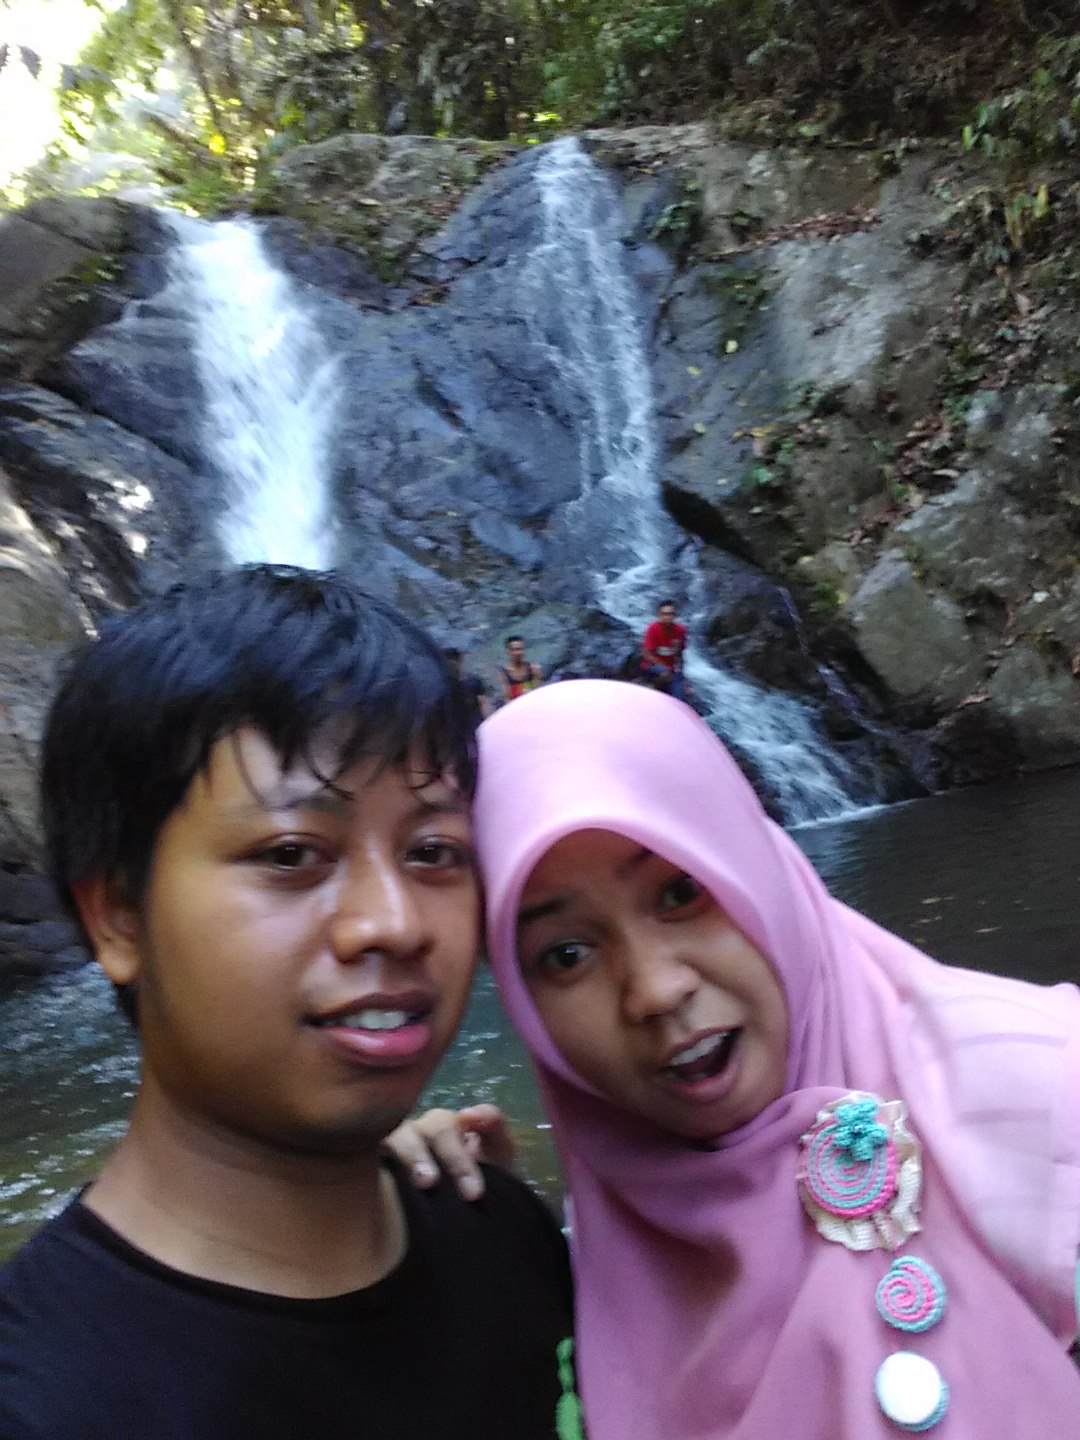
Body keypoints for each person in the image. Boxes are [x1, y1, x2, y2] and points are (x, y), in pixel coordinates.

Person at [406, 679, 1080, 1438]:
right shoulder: (575, 1264)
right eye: (565, 955)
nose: (655, 990)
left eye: (680, 892)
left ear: (753, 864)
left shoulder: (1044, 1091)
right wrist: (415, 1219)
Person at [0, 565, 573, 1440]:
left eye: (432, 851)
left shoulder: (500, 1232)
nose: (394, 923)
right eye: (292, 854)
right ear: (117, 916)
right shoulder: (40, 1401)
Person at [640, 599, 687, 699]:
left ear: (675, 616)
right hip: (652, 666)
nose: (667, 617)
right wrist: (665, 667)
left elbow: (679, 654)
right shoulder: (653, 628)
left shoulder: (681, 630)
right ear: (659, 615)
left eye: (671, 614)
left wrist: (682, 675)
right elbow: (647, 654)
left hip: (671, 668)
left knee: (679, 690)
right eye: (664, 614)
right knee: (665, 674)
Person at [444, 646, 493, 721]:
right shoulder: (445, 689)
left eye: (454, 661)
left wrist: (489, 720)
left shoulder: (473, 682)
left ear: (459, 661)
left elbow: (484, 704)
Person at [499, 634, 543, 703]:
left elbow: (538, 693)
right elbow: (507, 698)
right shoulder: (505, 673)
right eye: (514, 650)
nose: (518, 653)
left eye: (520, 649)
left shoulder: (534, 669)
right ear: (508, 651)